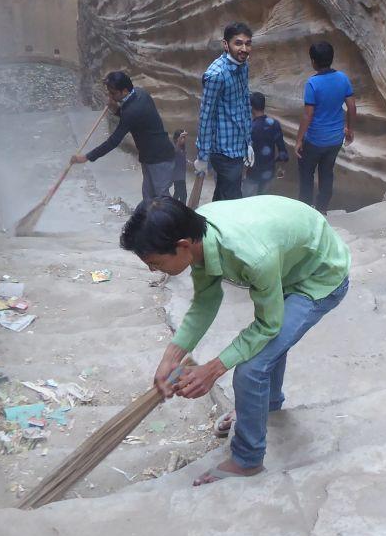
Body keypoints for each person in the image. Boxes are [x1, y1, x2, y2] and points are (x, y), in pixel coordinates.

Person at [121, 195, 350, 485]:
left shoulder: (251, 256)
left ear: (182, 246)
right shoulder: (199, 234)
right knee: (266, 353)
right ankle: (264, 407)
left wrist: (213, 369)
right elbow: (206, 301)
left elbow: (268, 326)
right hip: (288, 266)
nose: (154, 271)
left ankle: (248, 459)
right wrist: (171, 356)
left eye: (155, 263)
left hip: (320, 275)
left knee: (251, 369)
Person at [72, 71, 175, 202]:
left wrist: (87, 157)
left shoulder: (131, 110)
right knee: (149, 198)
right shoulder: (140, 93)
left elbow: (113, 141)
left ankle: (174, 221)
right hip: (151, 156)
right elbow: (133, 118)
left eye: (113, 93)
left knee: (162, 199)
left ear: (125, 91)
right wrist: (116, 109)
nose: (110, 96)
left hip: (160, 159)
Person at [295, 41, 355, 213]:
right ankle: (322, 209)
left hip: (314, 140)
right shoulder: (343, 78)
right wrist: (350, 129)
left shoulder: (312, 83)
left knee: (306, 175)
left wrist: (299, 140)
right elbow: (351, 107)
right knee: (327, 173)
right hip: (335, 139)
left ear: (313, 61)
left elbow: (308, 114)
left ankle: (306, 211)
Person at [195, 22, 253, 202]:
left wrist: (248, 143)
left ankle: (212, 226)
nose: (244, 48)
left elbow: (244, 105)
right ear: (226, 44)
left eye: (248, 43)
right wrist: (203, 156)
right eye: (238, 43)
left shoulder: (243, 66)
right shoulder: (216, 75)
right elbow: (206, 116)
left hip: (238, 146)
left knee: (223, 196)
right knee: (233, 201)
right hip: (223, 150)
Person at [242, 92, 288, 197]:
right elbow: (282, 151)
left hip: (253, 173)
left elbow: (245, 154)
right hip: (269, 172)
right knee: (263, 201)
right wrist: (281, 167)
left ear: (251, 107)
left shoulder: (250, 128)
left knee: (246, 202)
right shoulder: (274, 124)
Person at [171, 130, 189, 203]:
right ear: (177, 139)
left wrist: (188, 161)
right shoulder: (175, 147)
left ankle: (172, 207)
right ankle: (182, 210)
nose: (183, 140)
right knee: (183, 195)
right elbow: (176, 151)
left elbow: (181, 158)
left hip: (181, 176)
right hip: (177, 177)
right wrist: (180, 138)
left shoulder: (181, 149)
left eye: (184, 138)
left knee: (177, 194)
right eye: (182, 138)